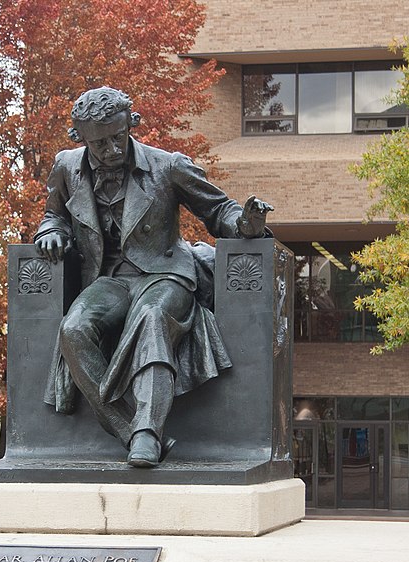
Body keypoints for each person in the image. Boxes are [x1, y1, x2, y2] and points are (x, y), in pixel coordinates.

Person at [35, 87, 272, 468]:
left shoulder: (168, 166)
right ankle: (126, 427)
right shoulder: (67, 167)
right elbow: (54, 215)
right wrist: (50, 233)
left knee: (152, 317)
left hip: (166, 274)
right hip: (108, 280)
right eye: (99, 143)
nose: (111, 148)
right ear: (81, 138)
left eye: (117, 136)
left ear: (131, 124)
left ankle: (148, 432)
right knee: (73, 329)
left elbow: (219, 210)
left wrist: (245, 223)